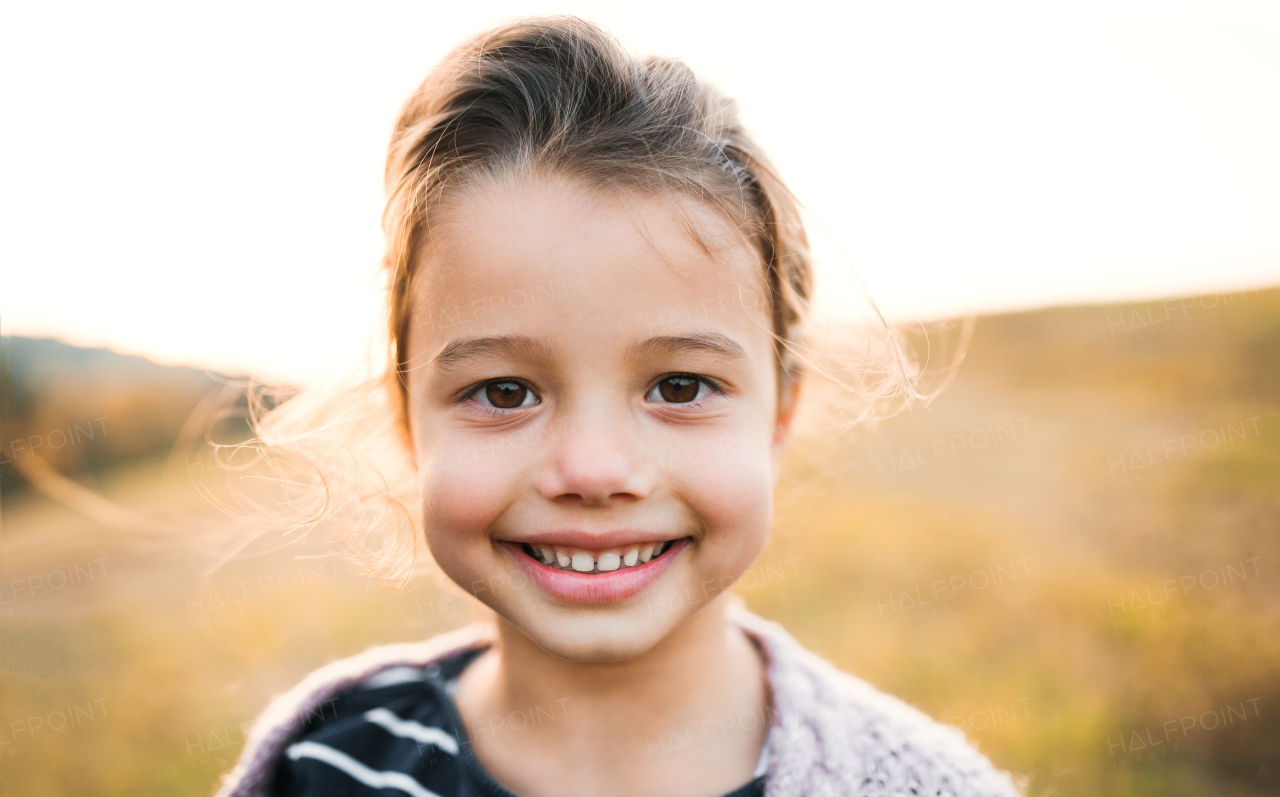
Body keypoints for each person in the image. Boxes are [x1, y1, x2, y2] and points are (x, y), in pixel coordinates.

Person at [216, 15, 1022, 797]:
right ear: (407, 420)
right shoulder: (324, 762)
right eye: (505, 392)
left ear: (780, 414)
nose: (593, 470)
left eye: (679, 387)